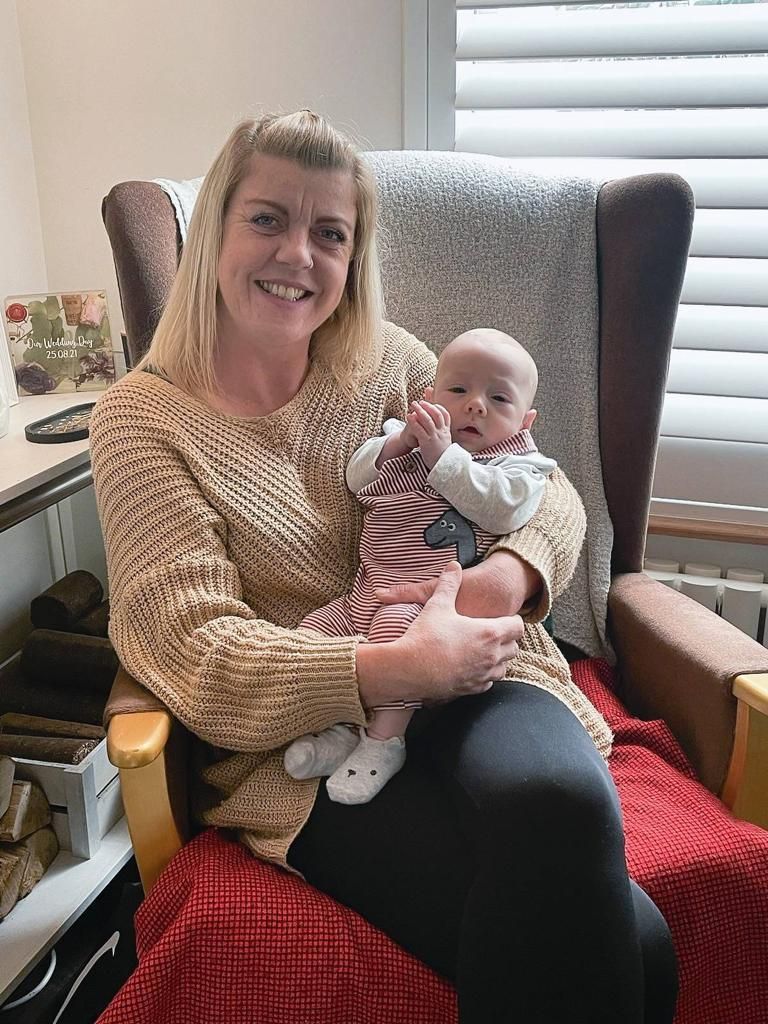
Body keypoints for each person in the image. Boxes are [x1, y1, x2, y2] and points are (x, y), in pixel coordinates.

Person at [89, 110, 677, 1023]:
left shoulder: (389, 362)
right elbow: (192, 648)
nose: (298, 255)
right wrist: (391, 668)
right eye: (267, 219)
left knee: (560, 804)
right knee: (633, 947)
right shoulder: (142, 422)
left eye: (330, 232)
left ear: (354, 255)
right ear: (214, 231)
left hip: (484, 672)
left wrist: (503, 580)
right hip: (305, 741)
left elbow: (542, 481)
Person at [284, 328, 557, 804]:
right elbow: (358, 479)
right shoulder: (407, 437)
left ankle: (383, 742)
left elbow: (503, 510)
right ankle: (340, 731)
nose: (475, 405)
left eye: (498, 397)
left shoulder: (520, 466)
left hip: (433, 603)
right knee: (314, 636)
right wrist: (401, 443)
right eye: (458, 390)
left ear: (526, 419)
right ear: (428, 397)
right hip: (366, 588)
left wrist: (444, 459)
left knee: (395, 642)